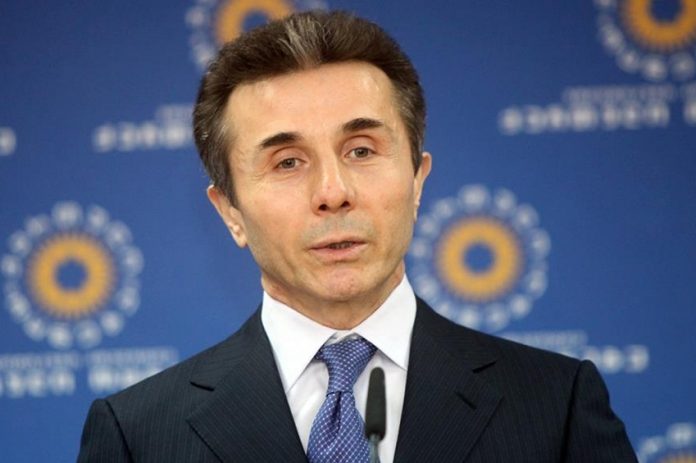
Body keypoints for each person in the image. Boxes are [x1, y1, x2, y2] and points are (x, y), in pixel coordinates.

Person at [77, 10, 637, 462]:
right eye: (288, 161)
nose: (333, 192)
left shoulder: (555, 405)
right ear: (231, 213)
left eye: (362, 150)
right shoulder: (139, 435)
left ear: (417, 181)